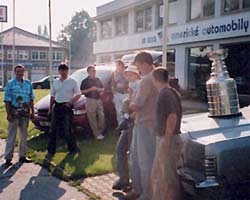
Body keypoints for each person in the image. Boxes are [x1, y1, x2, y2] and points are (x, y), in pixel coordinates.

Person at [122, 52, 158, 200]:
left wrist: (130, 102)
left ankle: (146, 194)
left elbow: (137, 105)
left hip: (145, 123)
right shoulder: (157, 76)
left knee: (144, 160)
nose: (138, 70)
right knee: (137, 158)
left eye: (138, 66)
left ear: (144, 63)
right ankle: (137, 189)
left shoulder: (146, 80)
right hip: (147, 122)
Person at [151, 67, 183, 200]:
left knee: (167, 177)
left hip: (168, 138)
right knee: (159, 174)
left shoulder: (165, 94)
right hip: (167, 138)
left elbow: (172, 116)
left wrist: (166, 140)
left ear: (155, 80)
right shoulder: (172, 92)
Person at [112, 65, 141, 191]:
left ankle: (134, 184)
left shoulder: (140, 85)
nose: (128, 76)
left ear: (136, 74)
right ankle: (124, 179)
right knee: (120, 150)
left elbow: (140, 105)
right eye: (127, 74)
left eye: (131, 73)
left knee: (134, 154)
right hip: (128, 123)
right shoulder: (131, 86)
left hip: (136, 124)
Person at [4, 65, 35, 166]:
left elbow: (31, 98)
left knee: (24, 135)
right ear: (14, 72)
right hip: (14, 113)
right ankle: (8, 157)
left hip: (25, 113)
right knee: (11, 136)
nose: (20, 73)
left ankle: (22, 156)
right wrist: (8, 113)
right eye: (18, 71)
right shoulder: (10, 84)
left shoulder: (28, 84)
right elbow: (7, 100)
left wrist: (32, 112)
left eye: (21, 71)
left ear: (24, 72)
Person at [47, 63, 81, 155]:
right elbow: (52, 96)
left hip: (67, 107)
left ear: (67, 71)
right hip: (57, 106)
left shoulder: (72, 81)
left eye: (65, 70)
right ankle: (51, 150)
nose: (63, 72)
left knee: (67, 129)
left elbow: (78, 94)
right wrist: (50, 108)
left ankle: (72, 149)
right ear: (59, 71)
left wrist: (70, 103)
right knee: (53, 129)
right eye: (61, 70)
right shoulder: (55, 82)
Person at [80, 65, 105, 140]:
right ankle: (96, 134)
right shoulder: (85, 81)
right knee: (92, 118)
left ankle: (100, 131)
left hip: (98, 100)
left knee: (102, 116)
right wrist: (90, 89)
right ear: (88, 72)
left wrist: (98, 89)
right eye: (93, 71)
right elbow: (81, 92)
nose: (94, 72)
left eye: (95, 71)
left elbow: (102, 88)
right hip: (90, 100)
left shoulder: (97, 80)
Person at [110, 60, 129, 126]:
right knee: (119, 112)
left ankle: (127, 127)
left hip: (126, 94)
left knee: (126, 112)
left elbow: (131, 83)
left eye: (119, 66)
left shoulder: (127, 74)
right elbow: (112, 84)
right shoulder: (114, 74)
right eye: (116, 66)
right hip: (117, 95)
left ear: (122, 67)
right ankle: (120, 128)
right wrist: (113, 91)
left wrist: (124, 86)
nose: (117, 67)